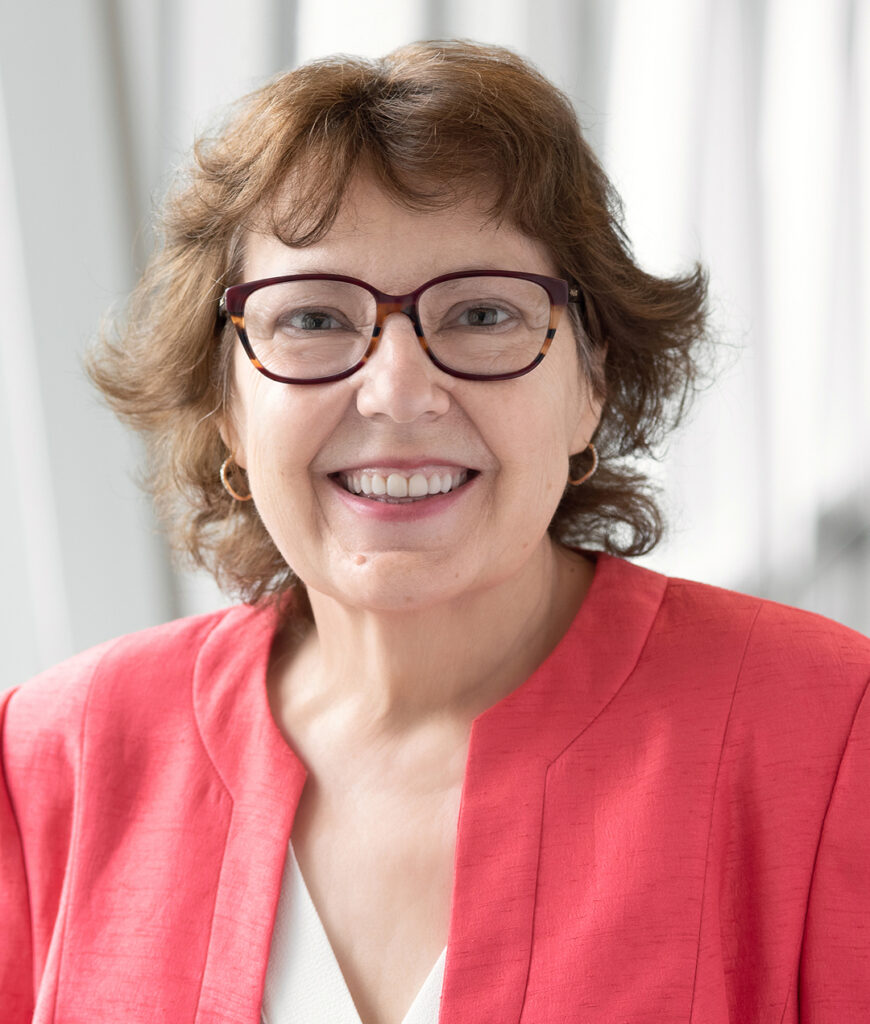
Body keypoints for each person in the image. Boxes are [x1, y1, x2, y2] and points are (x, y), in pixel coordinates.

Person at [1, 39, 868, 1024]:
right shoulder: (53, 760)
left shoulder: (832, 737)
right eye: (314, 320)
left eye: (482, 313)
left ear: (592, 382)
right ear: (226, 408)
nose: (399, 392)